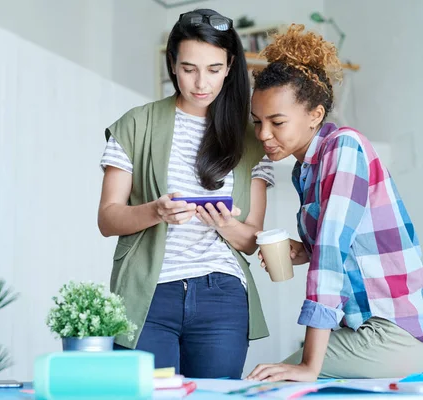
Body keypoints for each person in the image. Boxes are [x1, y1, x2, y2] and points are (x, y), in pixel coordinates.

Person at [98, 9, 274, 379]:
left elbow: (250, 240)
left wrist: (226, 226)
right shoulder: (136, 124)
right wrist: (155, 211)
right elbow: (108, 218)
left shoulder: (250, 140)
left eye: (213, 69)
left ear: (229, 68)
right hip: (148, 294)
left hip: (222, 293)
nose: (200, 82)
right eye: (189, 68)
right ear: (172, 64)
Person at [247, 24, 423, 382]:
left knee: (274, 379)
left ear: (315, 114)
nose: (264, 134)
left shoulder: (344, 148)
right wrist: (299, 251)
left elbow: (331, 253)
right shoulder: (305, 170)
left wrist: (309, 366)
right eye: (258, 122)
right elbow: (341, 245)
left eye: (276, 122)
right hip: (366, 324)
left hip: (397, 329)